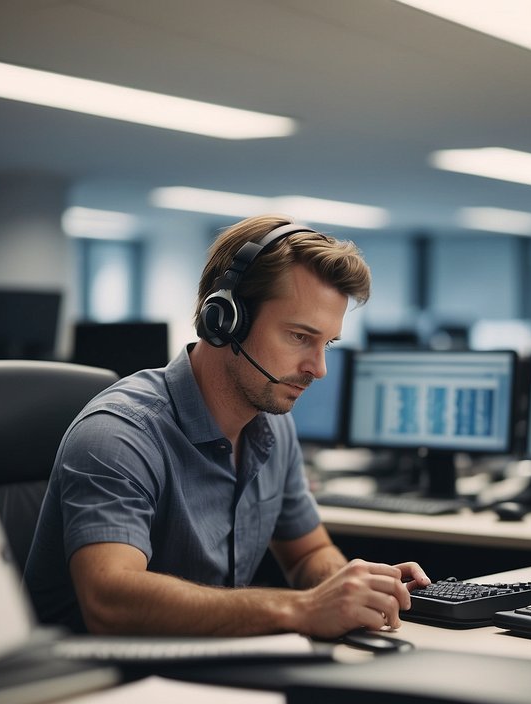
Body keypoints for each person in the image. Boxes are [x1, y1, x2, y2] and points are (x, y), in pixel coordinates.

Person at [23, 215, 430, 637]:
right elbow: (111, 601)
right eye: (298, 337)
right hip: (95, 683)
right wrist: (301, 608)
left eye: (326, 343)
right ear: (224, 320)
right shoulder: (120, 435)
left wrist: (354, 588)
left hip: (207, 667)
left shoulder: (272, 426)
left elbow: (308, 553)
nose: (319, 368)